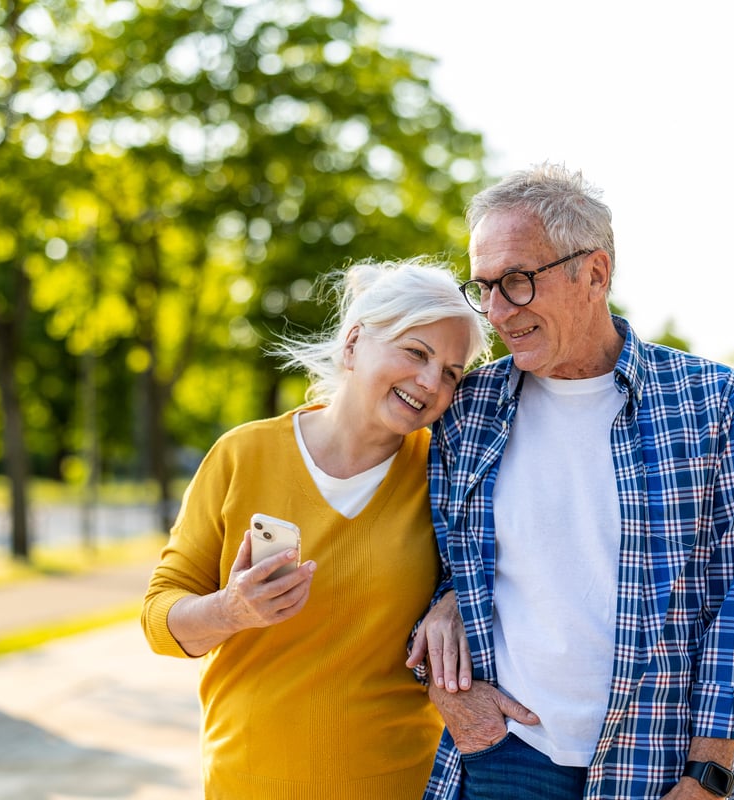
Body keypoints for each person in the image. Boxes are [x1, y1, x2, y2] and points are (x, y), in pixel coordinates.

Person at [406, 163, 734, 800]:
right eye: (483, 287)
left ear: (594, 273)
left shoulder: (711, 400)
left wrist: (711, 770)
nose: (495, 311)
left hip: (654, 761)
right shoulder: (466, 408)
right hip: (505, 750)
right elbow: (428, 559)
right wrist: (446, 668)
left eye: (516, 282)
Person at [141, 258, 491, 799]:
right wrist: (229, 610)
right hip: (248, 781)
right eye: (416, 352)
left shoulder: (446, 475)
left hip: (399, 784)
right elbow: (160, 621)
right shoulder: (243, 455)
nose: (429, 382)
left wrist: (455, 601)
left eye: (450, 372)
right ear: (353, 345)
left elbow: (506, 573)